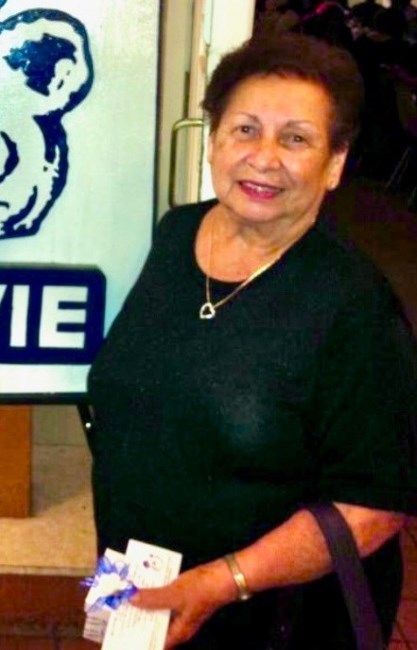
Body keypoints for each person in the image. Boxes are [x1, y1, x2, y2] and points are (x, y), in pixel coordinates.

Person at [87, 33, 417, 650]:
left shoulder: (355, 309)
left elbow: (373, 508)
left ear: (335, 163)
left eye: (296, 139)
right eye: (245, 129)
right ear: (214, 140)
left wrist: (222, 581)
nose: (264, 158)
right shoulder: (177, 233)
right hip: (144, 582)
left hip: (275, 618)